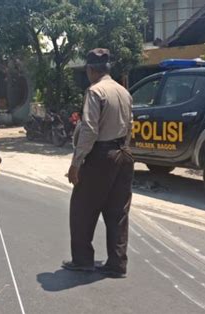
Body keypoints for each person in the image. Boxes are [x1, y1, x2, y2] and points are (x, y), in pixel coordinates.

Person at [62, 48, 134, 278]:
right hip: (124, 154)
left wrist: (76, 162)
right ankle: (117, 263)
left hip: (101, 155)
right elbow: (130, 125)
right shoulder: (124, 92)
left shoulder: (95, 91)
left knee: (82, 208)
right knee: (118, 212)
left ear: (90, 70)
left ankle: (83, 260)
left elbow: (90, 129)